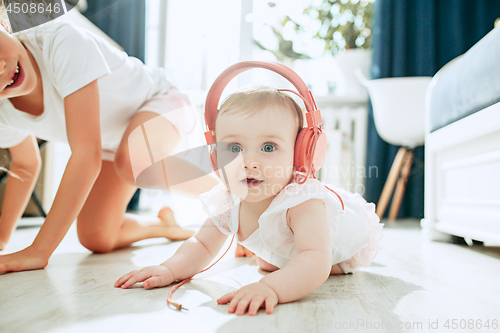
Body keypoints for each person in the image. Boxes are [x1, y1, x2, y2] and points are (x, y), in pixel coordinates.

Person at [115, 84, 384, 316]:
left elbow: (316, 260)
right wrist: (169, 269)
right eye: (234, 148)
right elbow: (202, 245)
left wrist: (271, 288)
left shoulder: (302, 202)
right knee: (273, 262)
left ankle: (295, 261)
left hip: (344, 241)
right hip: (294, 245)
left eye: (268, 147)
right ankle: (279, 257)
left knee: (312, 263)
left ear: (301, 154)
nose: (248, 162)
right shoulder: (228, 198)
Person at [0, 12, 219, 273]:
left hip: (160, 102)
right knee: (97, 237)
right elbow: (25, 164)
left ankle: (237, 198)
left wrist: (39, 251)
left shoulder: (61, 42)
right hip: (108, 144)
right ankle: (164, 226)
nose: (1, 68)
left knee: (133, 161)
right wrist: (2, 239)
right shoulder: (3, 112)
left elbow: (85, 154)